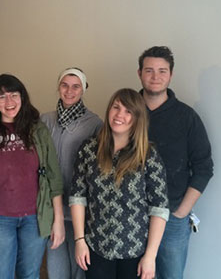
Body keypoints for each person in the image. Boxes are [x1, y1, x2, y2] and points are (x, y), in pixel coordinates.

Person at [0, 74, 65, 279]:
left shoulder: (37, 130)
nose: (9, 102)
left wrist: (58, 220)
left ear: (23, 97)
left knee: (29, 274)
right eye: (2, 97)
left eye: (14, 95)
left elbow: (53, 176)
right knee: (0, 275)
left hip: (34, 218)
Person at [70, 88, 169, 279]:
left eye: (128, 111)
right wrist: (80, 240)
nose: (119, 115)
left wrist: (150, 256)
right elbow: (77, 197)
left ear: (137, 117)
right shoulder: (89, 149)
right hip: (96, 247)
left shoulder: (148, 155)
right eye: (116, 107)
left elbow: (159, 208)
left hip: (135, 251)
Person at [137, 46, 214, 279]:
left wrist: (182, 211)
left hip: (172, 218)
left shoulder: (186, 117)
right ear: (139, 73)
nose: (155, 77)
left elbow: (203, 167)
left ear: (171, 75)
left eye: (162, 71)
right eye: (149, 70)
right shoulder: (126, 112)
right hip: (130, 217)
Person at [41, 67, 102, 279]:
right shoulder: (45, 120)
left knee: (79, 271)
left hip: (80, 213)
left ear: (84, 89)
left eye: (76, 86)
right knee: (56, 270)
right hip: (52, 210)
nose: (69, 91)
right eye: (65, 85)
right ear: (58, 87)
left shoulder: (94, 124)